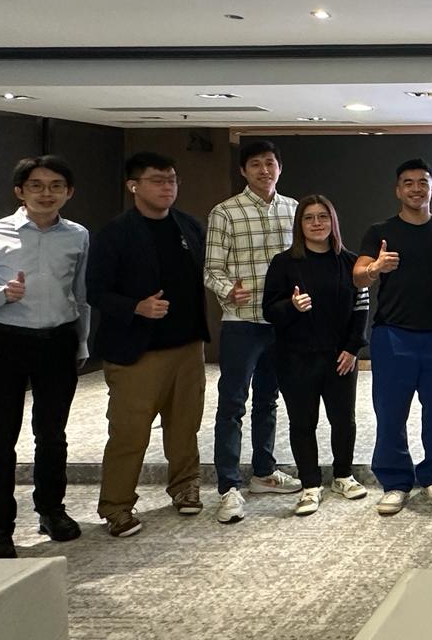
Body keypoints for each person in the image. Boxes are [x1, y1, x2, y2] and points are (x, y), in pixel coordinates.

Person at [0, 155, 91, 558]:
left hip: (59, 342)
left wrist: (82, 343)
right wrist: (2, 294)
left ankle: (51, 510)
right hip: (6, 342)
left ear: (68, 192)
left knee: (52, 434)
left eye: (56, 186)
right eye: (36, 185)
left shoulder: (78, 236)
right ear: (20, 191)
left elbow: (81, 295)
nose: (46, 193)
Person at [87, 152, 209, 538]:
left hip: (187, 347)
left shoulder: (189, 226)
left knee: (184, 427)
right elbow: (95, 291)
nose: (167, 187)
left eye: (172, 179)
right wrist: (135, 307)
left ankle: (185, 486)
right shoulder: (115, 233)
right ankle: (116, 506)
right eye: (157, 180)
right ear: (134, 186)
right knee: (130, 433)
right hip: (137, 352)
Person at [354, 159, 432, 516]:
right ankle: (395, 481)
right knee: (390, 412)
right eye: (408, 183)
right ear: (397, 190)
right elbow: (358, 275)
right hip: (392, 334)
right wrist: (376, 267)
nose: (416, 189)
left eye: (422, 182)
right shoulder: (380, 231)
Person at [203, 139, 301, 525]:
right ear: (243, 170)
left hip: (281, 323)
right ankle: (228, 486)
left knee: (268, 401)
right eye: (256, 164)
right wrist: (230, 290)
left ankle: (263, 472)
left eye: (270, 163)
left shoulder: (294, 209)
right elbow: (211, 269)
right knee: (232, 404)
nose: (264, 170)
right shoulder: (225, 212)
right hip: (241, 322)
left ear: (280, 168)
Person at [262, 196, 369, 516]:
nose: (317, 223)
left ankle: (343, 476)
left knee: (343, 420)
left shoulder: (351, 262)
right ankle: (310, 484)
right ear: (300, 225)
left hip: (340, 358)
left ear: (333, 221)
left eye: (323, 216)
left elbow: (361, 308)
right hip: (296, 359)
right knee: (302, 422)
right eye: (309, 218)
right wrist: (291, 307)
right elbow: (269, 311)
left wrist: (352, 348)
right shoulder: (283, 263)